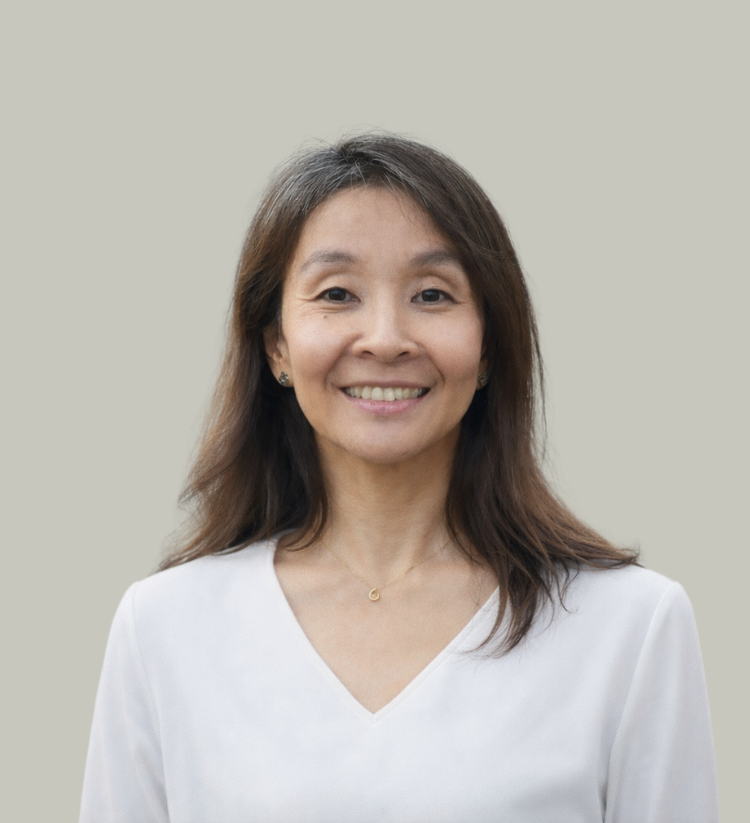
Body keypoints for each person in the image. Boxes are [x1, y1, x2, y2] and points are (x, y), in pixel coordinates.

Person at [80, 134, 719, 823]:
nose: (385, 338)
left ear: (489, 348)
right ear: (276, 347)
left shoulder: (630, 627)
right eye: (337, 293)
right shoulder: (163, 629)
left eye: (433, 294)